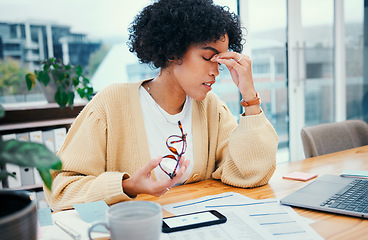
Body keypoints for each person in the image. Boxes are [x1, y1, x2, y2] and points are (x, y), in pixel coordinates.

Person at [45, 0, 278, 211]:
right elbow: (61, 189)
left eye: (222, 61)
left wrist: (249, 95)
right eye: (208, 57)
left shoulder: (211, 108)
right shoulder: (111, 103)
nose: (216, 71)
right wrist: (127, 186)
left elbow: (252, 173)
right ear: (171, 51)